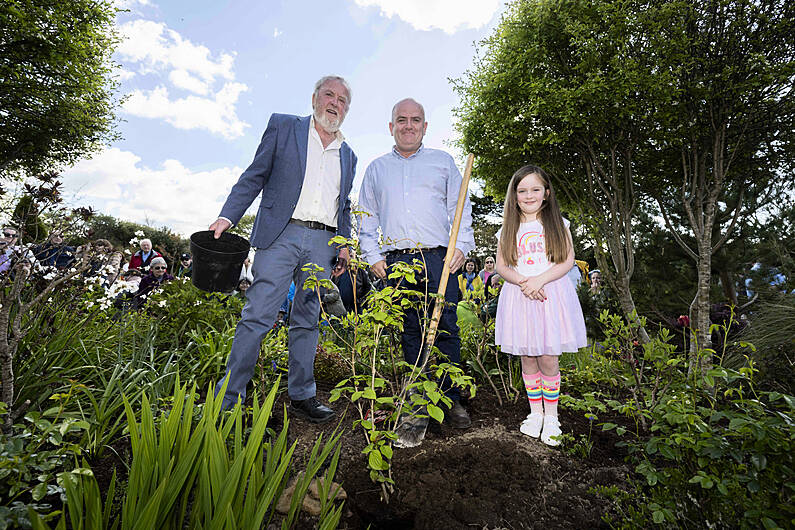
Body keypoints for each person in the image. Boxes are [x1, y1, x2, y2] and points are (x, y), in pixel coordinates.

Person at [209, 75, 356, 423]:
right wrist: (227, 216)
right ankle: (229, 399)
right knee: (257, 316)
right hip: (280, 235)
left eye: (343, 100)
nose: (335, 103)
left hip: (322, 242)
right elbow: (254, 176)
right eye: (329, 95)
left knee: (308, 321)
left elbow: (344, 204)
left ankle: (303, 395)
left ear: (347, 110)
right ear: (314, 98)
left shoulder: (348, 154)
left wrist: (345, 245)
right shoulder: (283, 126)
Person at [358, 97, 475, 429]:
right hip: (397, 262)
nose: (408, 125)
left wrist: (462, 247)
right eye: (402, 119)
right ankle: (416, 402)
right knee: (410, 330)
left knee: (447, 328)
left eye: (415, 120)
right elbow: (366, 217)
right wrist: (373, 256)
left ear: (425, 126)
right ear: (391, 126)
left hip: (440, 258)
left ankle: (450, 401)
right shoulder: (377, 169)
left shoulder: (442, 162)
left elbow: (460, 207)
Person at [494, 164, 587, 446]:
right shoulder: (507, 228)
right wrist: (525, 282)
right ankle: (535, 413)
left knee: (548, 356)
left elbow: (567, 260)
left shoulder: (559, 223)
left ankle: (552, 416)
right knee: (528, 355)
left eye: (535, 189)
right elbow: (501, 265)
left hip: (550, 296)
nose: (529, 195)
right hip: (521, 297)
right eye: (522, 190)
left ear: (546, 193)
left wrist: (540, 280)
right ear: (514, 195)